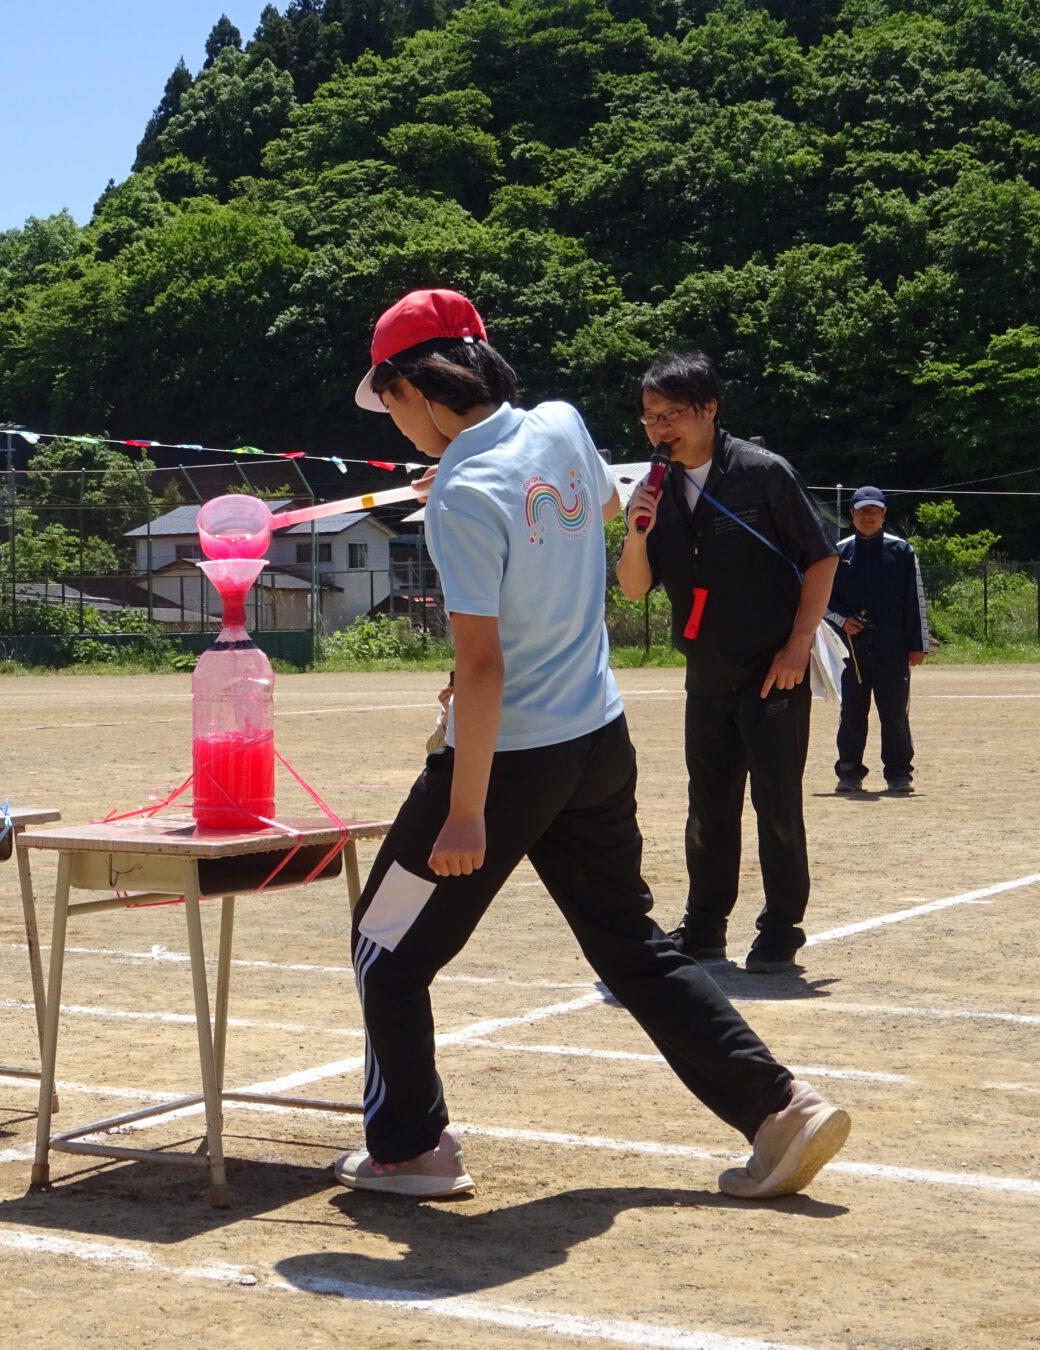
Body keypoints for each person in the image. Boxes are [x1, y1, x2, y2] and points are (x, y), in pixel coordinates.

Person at [336, 289, 848, 1202]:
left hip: (505, 762)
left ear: (415, 385)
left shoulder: (460, 492)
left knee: (386, 945)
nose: (398, 427)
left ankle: (411, 1148)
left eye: (394, 405)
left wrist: (464, 811)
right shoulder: (563, 426)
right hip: (597, 738)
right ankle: (779, 1108)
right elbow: (563, 522)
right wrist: (456, 475)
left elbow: (482, 669)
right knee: (634, 946)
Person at [615, 352, 838, 974]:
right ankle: (705, 927)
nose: (660, 428)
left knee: (776, 805)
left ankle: (780, 930)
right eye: (650, 417)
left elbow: (822, 558)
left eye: (673, 414)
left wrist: (798, 646)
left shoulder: (763, 474)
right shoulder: (655, 490)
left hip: (774, 670)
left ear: (710, 409)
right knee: (708, 808)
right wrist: (637, 532)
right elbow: (634, 588)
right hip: (706, 675)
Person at [828, 486, 928, 793]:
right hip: (851, 651)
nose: (867, 516)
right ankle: (849, 772)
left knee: (895, 713)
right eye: (861, 510)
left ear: (884, 514)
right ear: (851, 515)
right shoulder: (838, 551)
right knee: (852, 713)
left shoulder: (902, 551)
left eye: (873, 510)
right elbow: (823, 600)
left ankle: (899, 773)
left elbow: (915, 600)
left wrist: (918, 644)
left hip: (893, 647)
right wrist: (843, 619)